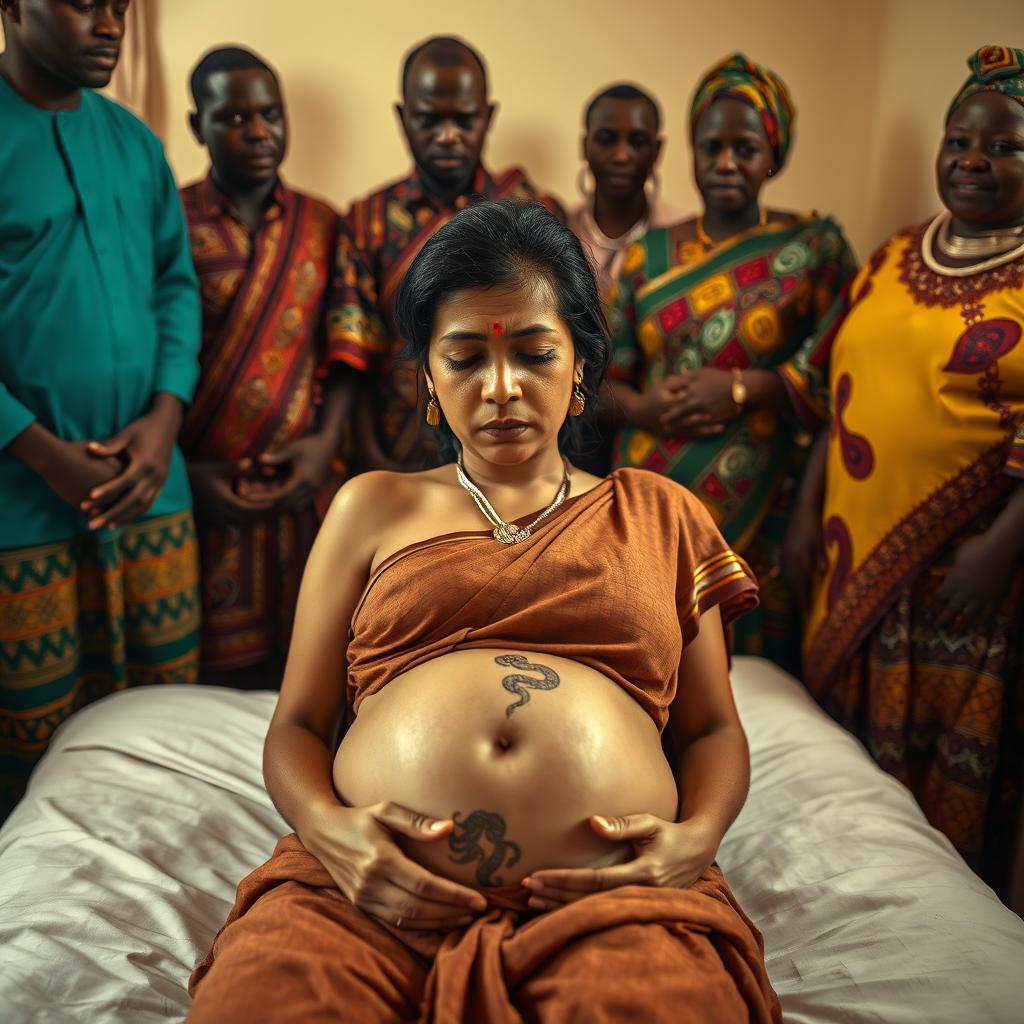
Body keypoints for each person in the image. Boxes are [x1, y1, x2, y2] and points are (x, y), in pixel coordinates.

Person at [187, 201, 781, 1023]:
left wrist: (697, 839)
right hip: (369, 892)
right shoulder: (371, 508)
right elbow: (298, 723)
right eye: (464, 359)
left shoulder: (661, 515)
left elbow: (713, 729)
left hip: (613, 901)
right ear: (429, 379)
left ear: (580, 367)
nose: (500, 387)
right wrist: (329, 832)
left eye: (534, 354)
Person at [786, 45, 1024, 902]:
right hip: (848, 558)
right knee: (840, 780)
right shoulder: (891, 253)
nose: (970, 159)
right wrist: (808, 508)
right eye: (959, 139)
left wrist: (999, 547)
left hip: (966, 581)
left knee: (939, 800)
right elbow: (830, 388)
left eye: (1002, 147)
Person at [0, 0, 201, 817]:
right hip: (22, 510)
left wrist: (163, 423)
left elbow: (176, 288)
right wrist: (41, 451)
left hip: (154, 492)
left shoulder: (136, 143)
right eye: (85, 3)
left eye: (119, 5)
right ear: (12, 6)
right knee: (35, 762)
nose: (110, 23)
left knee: (163, 740)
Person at [605, 53, 857, 674]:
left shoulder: (813, 248)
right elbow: (598, 382)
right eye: (709, 146)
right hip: (648, 505)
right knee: (643, 669)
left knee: (748, 687)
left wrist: (748, 388)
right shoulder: (646, 256)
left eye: (744, 149)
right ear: (689, 151)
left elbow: (840, 380)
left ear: (773, 156)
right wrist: (641, 406)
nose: (724, 163)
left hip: (761, 508)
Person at [180, 47, 372, 688]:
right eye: (234, 117)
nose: (258, 131)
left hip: (303, 485)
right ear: (196, 126)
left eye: (270, 113)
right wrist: (186, 476)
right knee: (213, 684)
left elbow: (349, 342)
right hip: (207, 487)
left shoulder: (323, 223)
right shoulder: (172, 221)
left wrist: (322, 449)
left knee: (312, 671)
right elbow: (157, 348)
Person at [341, 35, 565, 472]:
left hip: (513, 449)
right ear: (403, 118)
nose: (447, 136)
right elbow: (354, 351)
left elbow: (560, 344)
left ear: (488, 117)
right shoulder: (368, 220)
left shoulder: (531, 210)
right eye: (429, 119)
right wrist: (372, 461)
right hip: (401, 454)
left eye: (464, 120)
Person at [569, 83, 681, 301]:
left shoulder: (680, 238)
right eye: (606, 140)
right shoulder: (559, 229)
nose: (621, 156)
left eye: (638, 142)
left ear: (657, 151)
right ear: (585, 146)